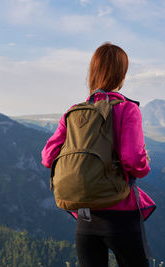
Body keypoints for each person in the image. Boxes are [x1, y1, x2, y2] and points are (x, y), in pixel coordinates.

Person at [41, 42, 155, 267]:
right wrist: (145, 164)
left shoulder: (75, 112)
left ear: (93, 72)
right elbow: (133, 159)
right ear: (121, 74)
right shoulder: (127, 109)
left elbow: (47, 156)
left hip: (85, 219)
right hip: (121, 216)